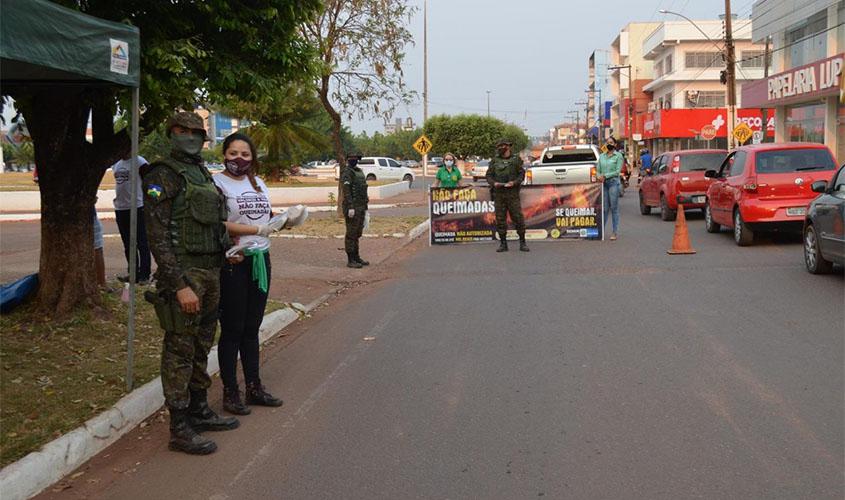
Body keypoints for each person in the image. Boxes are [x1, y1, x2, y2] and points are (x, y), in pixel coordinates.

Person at [143, 111, 239, 455]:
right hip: (185, 275)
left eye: (195, 132)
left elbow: (211, 222)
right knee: (180, 350)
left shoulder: (200, 172)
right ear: (172, 133)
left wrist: (226, 252)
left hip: (211, 271)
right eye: (182, 130)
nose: (190, 136)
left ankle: (199, 409)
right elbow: (157, 235)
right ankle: (179, 426)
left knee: (201, 345)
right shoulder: (162, 174)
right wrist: (179, 284)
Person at [212, 132, 284, 415]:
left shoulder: (258, 183)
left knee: (252, 328)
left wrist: (283, 220)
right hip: (234, 261)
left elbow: (264, 216)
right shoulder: (217, 183)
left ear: (253, 157)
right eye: (233, 153)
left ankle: (254, 387)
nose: (239, 159)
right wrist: (256, 229)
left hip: (260, 260)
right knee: (233, 329)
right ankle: (231, 392)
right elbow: (217, 222)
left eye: (245, 154)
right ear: (224, 155)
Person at [111, 146, 152, 284]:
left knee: (142, 242)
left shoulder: (140, 162)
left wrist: (153, 200)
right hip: (121, 208)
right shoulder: (116, 164)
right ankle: (133, 273)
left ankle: (145, 275)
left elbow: (152, 183)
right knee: (128, 244)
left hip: (137, 207)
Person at [486, 138, 529, 252]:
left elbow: (521, 175)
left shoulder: (516, 160)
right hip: (499, 194)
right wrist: (494, 183)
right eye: (499, 146)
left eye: (503, 146)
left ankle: (523, 243)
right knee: (500, 220)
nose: (500, 148)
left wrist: (514, 183)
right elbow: (489, 176)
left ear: (508, 146)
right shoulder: (495, 160)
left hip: (512, 194)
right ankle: (503, 244)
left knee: (518, 218)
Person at [341, 151, 369, 268]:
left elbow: (363, 189)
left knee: (357, 233)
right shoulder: (347, 172)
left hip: (361, 206)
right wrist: (350, 207)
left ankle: (356, 257)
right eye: (351, 158)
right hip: (352, 207)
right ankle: (351, 259)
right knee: (351, 234)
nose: (354, 160)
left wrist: (365, 207)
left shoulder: (359, 171)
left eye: (355, 158)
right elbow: (347, 191)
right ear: (348, 160)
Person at [597, 141, 624, 240]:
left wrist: (605, 176)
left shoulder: (618, 156)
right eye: (608, 142)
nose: (609, 144)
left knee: (614, 208)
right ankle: (601, 232)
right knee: (604, 209)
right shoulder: (602, 156)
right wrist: (599, 176)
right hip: (603, 184)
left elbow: (617, 171)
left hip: (613, 183)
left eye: (611, 142)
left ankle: (614, 232)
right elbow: (598, 170)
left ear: (615, 144)